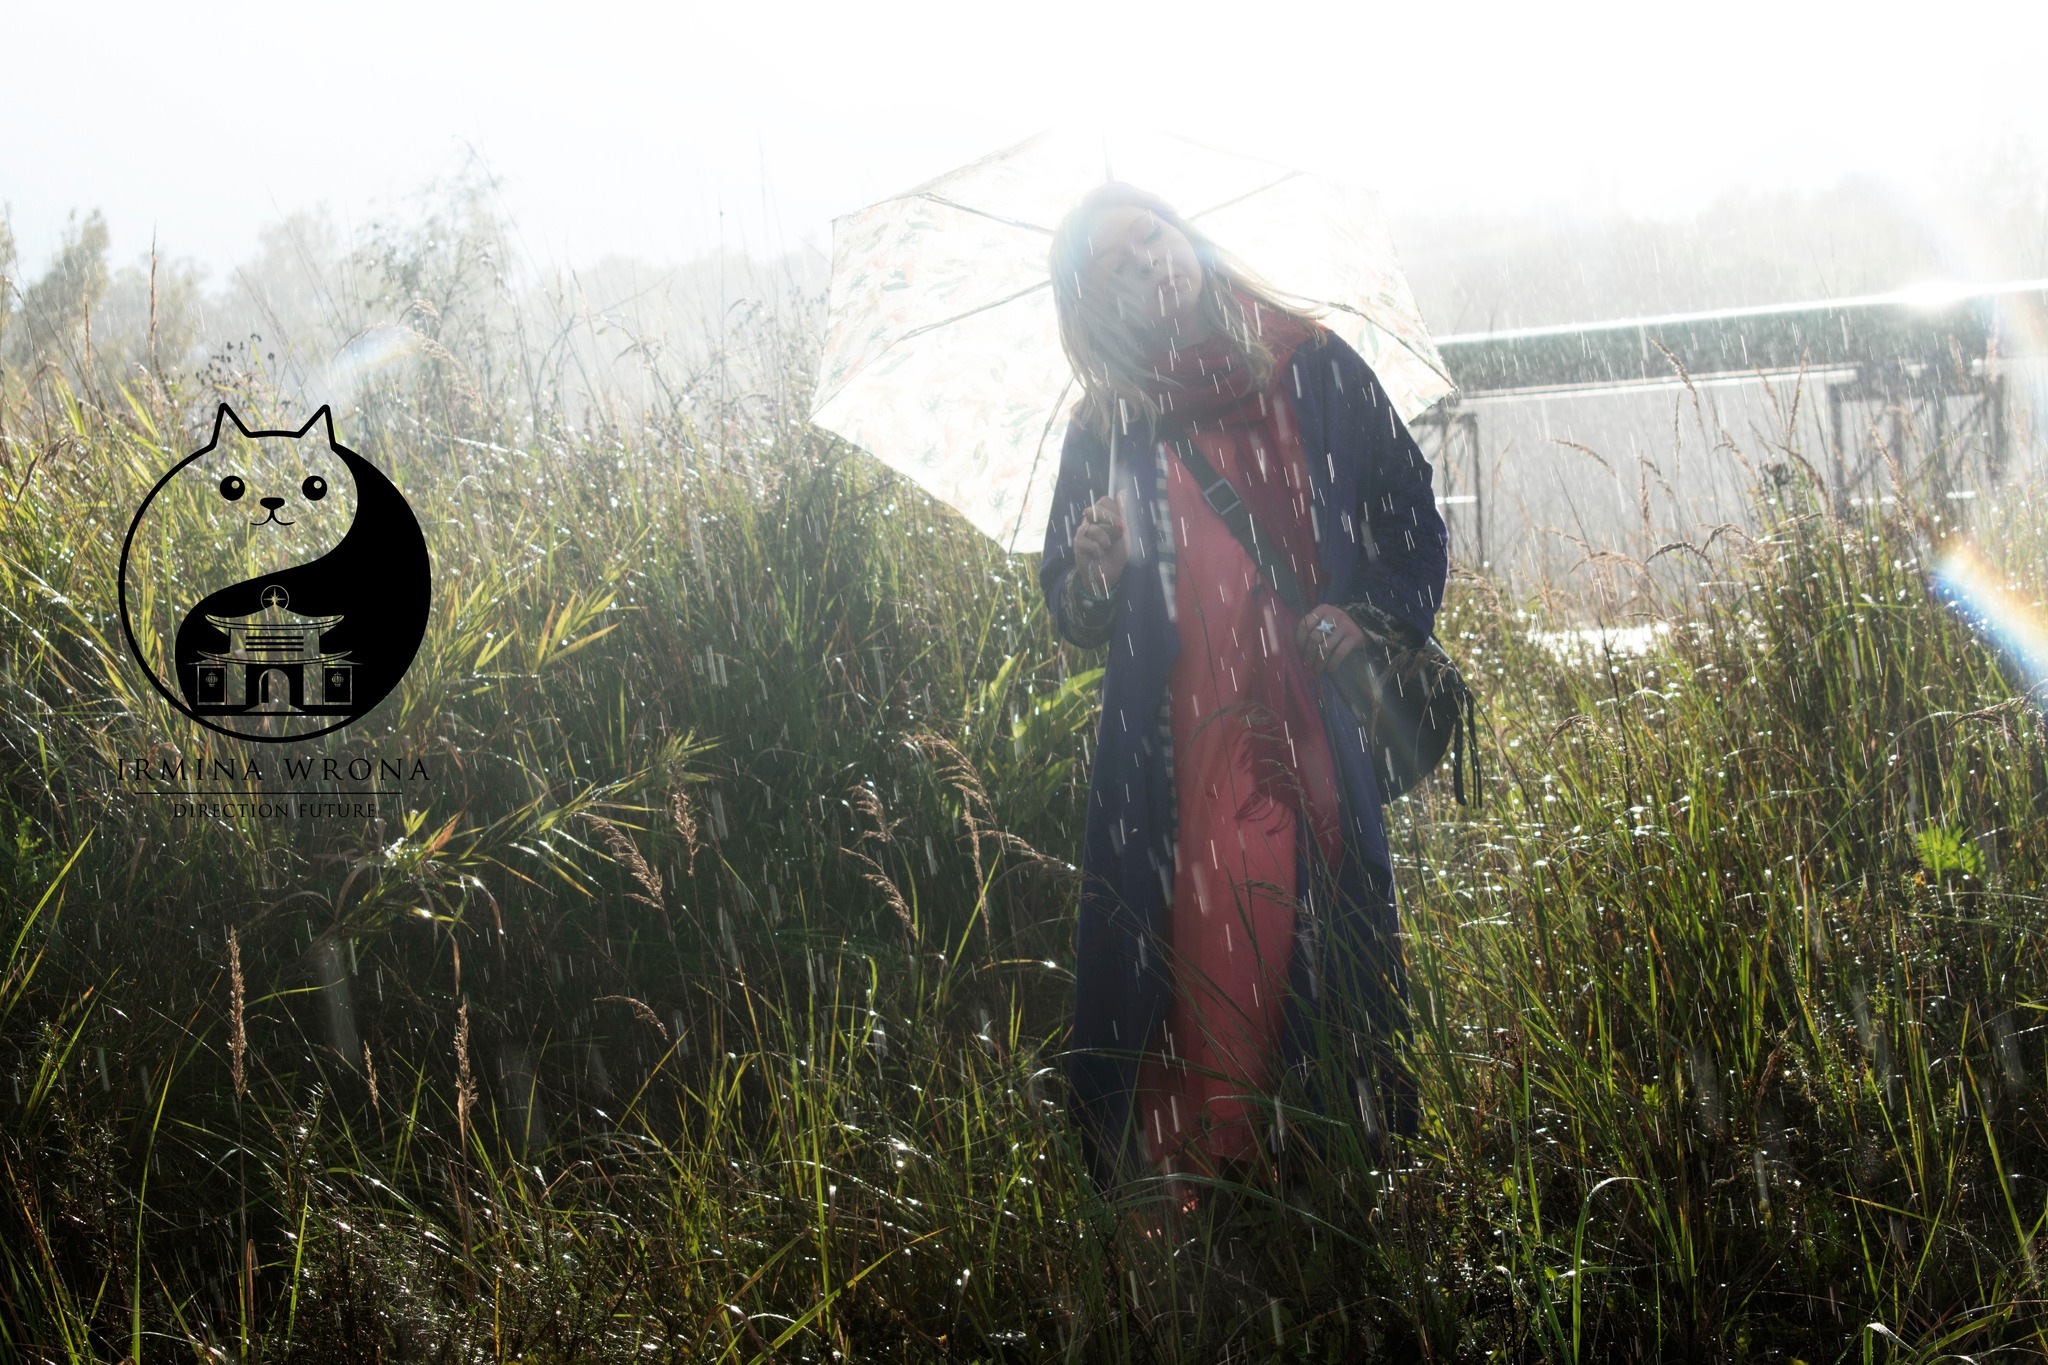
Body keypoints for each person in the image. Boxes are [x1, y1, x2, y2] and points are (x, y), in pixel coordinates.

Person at [1039, 182, 1449, 1216]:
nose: (1149, 262)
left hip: (1312, 722)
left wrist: (1367, 616)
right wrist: (1095, 574)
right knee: (1193, 949)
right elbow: (1070, 606)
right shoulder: (1109, 425)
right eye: (1117, 266)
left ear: (1185, 232)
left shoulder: (1309, 366)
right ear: (1097, 306)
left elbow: (1411, 518)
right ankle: (1210, 1191)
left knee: (1321, 933)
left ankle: (1325, 1180)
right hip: (1173, 748)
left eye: (1152, 235)